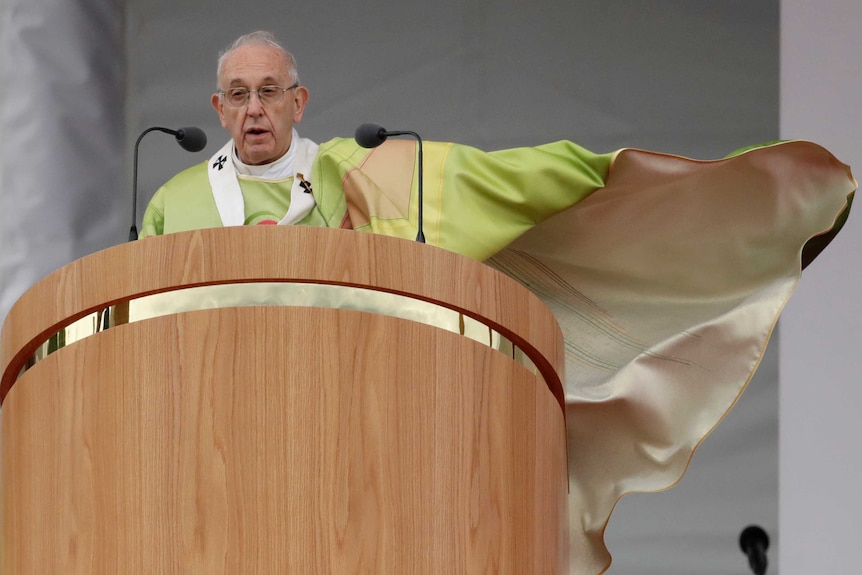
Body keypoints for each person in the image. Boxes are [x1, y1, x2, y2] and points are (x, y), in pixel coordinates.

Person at [140, 31, 855, 575]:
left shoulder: (362, 180)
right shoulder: (174, 202)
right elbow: (138, 341)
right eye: (238, 94)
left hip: (351, 450)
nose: (255, 108)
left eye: (270, 91)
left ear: (299, 102)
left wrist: (630, 184)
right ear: (217, 107)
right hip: (215, 455)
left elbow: (509, 183)